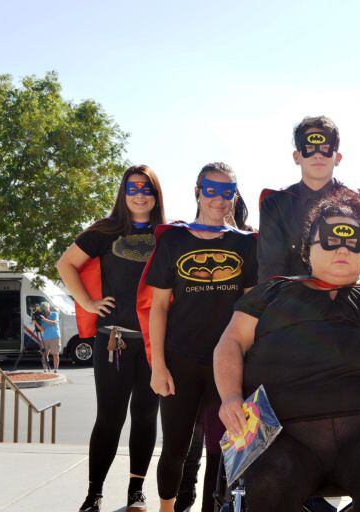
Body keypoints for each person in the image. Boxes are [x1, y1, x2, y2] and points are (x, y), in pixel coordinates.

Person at [214, 189, 360, 511]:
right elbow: (230, 342)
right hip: (284, 436)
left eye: (351, 240)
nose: (341, 248)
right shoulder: (271, 293)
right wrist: (230, 396)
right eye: (330, 239)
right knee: (268, 491)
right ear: (307, 248)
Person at [141, 163, 258, 512]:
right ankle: (167, 508)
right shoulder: (173, 239)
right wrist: (157, 366)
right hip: (180, 361)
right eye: (211, 190)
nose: (219, 199)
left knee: (221, 450)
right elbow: (158, 306)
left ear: (234, 196)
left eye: (227, 192)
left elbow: (253, 309)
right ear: (197, 192)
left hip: (228, 364)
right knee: (175, 448)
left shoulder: (246, 244)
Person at [57, 165, 165, 512]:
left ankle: (136, 490)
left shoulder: (168, 234)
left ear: (156, 193)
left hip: (154, 344)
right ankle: (94, 493)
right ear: (123, 192)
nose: (139, 194)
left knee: (146, 416)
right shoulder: (104, 230)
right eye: (132, 187)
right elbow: (66, 264)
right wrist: (88, 302)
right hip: (113, 341)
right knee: (109, 417)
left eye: (146, 188)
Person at [257, 115, 360, 282]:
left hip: (352, 300)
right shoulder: (275, 204)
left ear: (338, 158)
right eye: (310, 148)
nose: (318, 155)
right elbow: (270, 268)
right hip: (293, 302)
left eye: (325, 148)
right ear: (296, 157)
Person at [38, 302, 61, 373]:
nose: (46, 310)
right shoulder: (42, 316)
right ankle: (45, 369)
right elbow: (42, 329)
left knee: (55, 354)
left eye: (46, 308)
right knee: (44, 354)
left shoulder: (54, 314)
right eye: (44, 309)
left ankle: (55, 369)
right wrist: (35, 322)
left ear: (48, 308)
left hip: (55, 337)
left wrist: (44, 319)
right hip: (45, 338)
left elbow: (54, 323)